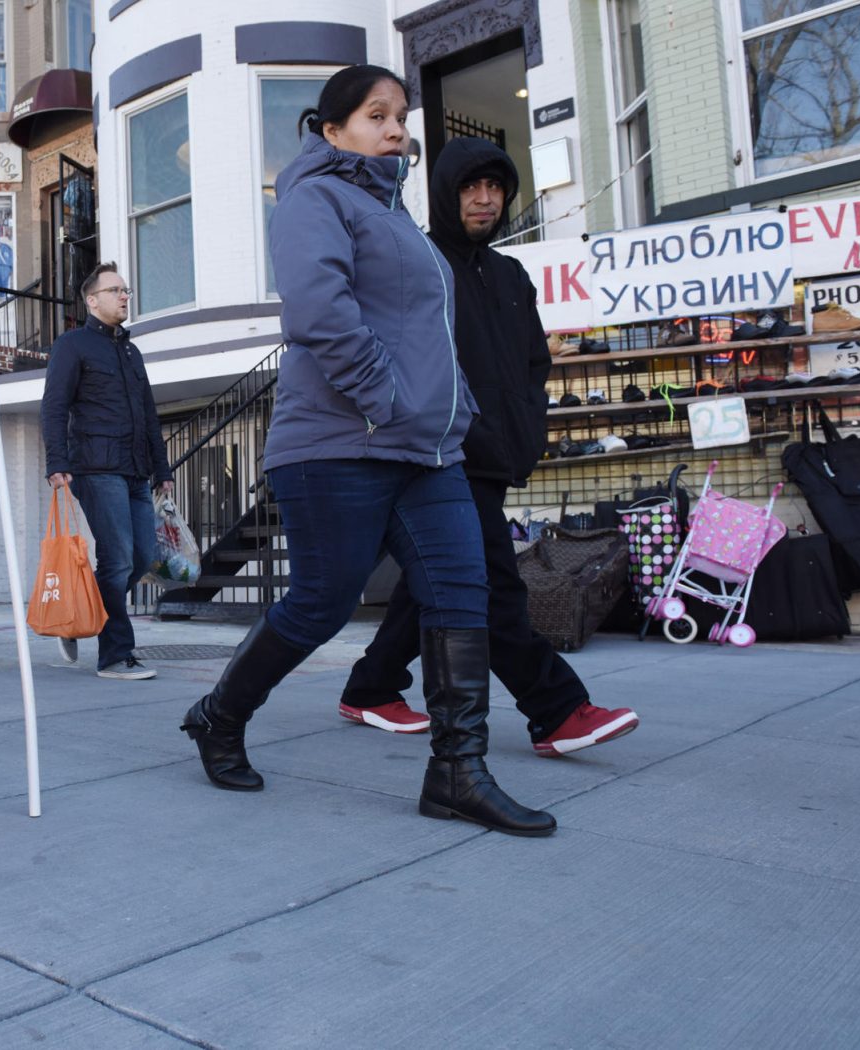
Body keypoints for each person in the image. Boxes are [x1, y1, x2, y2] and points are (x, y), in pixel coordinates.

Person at [179, 66, 555, 836]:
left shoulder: (400, 219)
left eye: (400, 115)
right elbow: (320, 311)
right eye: (375, 115)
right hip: (336, 444)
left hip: (426, 450)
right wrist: (388, 400)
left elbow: (427, 334)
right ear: (332, 130)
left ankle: (457, 771)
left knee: (462, 593)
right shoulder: (314, 198)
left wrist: (454, 411)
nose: (395, 128)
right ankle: (219, 715)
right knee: (320, 605)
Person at [336, 137, 639, 757]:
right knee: (489, 584)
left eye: (495, 188)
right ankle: (557, 710)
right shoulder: (419, 263)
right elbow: (411, 360)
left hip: (496, 453)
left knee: (438, 581)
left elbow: (532, 365)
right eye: (471, 188)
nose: (484, 200)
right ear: (447, 193)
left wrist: (526, 433)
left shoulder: (510, 274)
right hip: (441, 451)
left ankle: (370, 687)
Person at [40, 263, 173, 680]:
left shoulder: (131, 351)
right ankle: (115, 656)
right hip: (96, 467)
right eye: (115, 290)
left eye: (126, 290)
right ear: (91, 300)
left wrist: (162, 467)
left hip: (135, 469)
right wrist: (56, 461)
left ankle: (80, 612)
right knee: (115, 560)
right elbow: (54, 405)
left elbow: (149, 414)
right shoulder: (73, 345)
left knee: (143, 558)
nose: (124, 296)